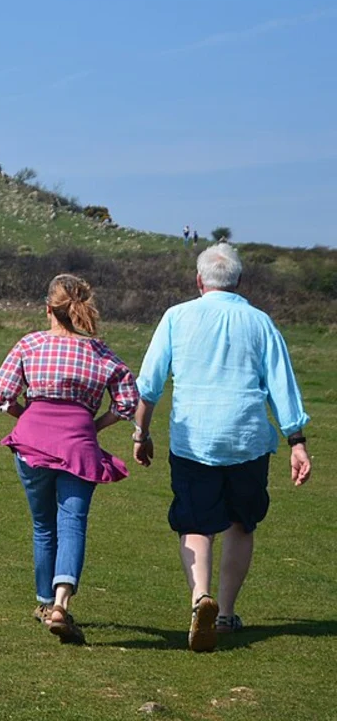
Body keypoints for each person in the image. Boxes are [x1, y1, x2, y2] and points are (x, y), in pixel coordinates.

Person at [132, 243, 312, 653]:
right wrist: (296, 442)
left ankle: (200, 598)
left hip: (194, 437)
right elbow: (282, 385)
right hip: (247, 437)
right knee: (241, 523)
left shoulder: (177, 317)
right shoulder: (260, 322)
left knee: (195, 524)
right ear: (239, 281)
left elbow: (150, 383)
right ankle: (226, 612)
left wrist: (141, 434)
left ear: (199, 281)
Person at [0, 274, 139, 645]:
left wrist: (25, 415)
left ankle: (43, 603)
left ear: (48, 309)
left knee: (44, 525)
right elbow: (127, 403)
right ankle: (61, 602)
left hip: (32, 441)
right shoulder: (101, 353)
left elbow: (1, 395)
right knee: (72, 522)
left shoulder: (31, 344)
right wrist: (94, 424)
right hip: (78, 445)